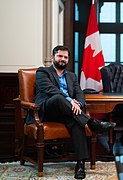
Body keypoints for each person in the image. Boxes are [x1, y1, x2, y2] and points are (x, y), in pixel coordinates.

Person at [34, 45, 116, 179]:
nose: (62, 59)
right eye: (60, 56)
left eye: (65, 57)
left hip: (67, 112)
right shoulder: (42, 72)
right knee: (58, 97)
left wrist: (78, 103)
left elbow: (79, 94)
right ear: (52, 57)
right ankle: (92, 123)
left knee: (76, 123)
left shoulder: (72, 76)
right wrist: (69, 100)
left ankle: (80, 164)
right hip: (48, 109)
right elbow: (50, 90)